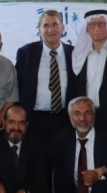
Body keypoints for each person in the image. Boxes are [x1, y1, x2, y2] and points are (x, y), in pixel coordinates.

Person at [16, 9, 84, 141]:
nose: (50, 30)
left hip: (66, 119)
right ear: (39, 29)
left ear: (62, 28)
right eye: (45, 25)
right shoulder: (26, 53)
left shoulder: (74, 54)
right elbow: (17, 86)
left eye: (55, 24)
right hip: (34, 120)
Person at [71, 9, 107, 138]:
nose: (97, 28)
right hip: (85, 118)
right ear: (87, 29)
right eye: (92, 24)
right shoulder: (79, 54)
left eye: (102, 24)